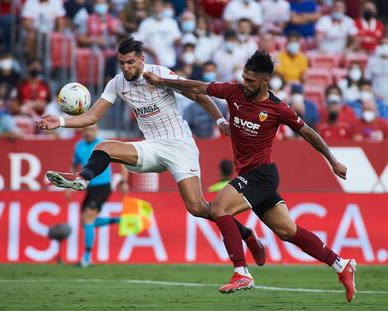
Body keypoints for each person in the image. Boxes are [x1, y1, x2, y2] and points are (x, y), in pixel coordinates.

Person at [143, 50, 356, 302]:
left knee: (219, 209)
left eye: (251, 80)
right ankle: (341, 264)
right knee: (288, 231)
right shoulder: (233, 92)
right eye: (244, 77)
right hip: (250, 175)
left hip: (262, 175)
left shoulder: (278, 109)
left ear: (265, 81)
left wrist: (332, 161)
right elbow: (199, 86)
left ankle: (241, 271)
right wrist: (162, 81)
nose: (246, 82)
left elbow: (308, 132)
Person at [36, 37, 266, 267]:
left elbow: (197, 94)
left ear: (141, 60)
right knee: (103, 146)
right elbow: (93, 116)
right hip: (151, 146)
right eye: (121, 63)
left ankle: (248, 235)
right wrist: (61, 121)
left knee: (198, 208)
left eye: (130, 62)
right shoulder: (117, 84)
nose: (126, 67)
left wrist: (219, 120)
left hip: (179, 145)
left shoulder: (159, 74)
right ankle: (82, 179)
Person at [73, 124, 125, 267]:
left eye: (91, 129)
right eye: (85, 130)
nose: (88, 132)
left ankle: (87, 257)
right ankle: (117, 220)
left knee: (88, 219)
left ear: (96, 131)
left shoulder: (103, 146)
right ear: (82, 131)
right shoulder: (78, 146)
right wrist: (70, 185)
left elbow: (123, 163)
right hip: (89, 187)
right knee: (86, 221)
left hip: (103, 186)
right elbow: (75, 164)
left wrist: (124, 181)